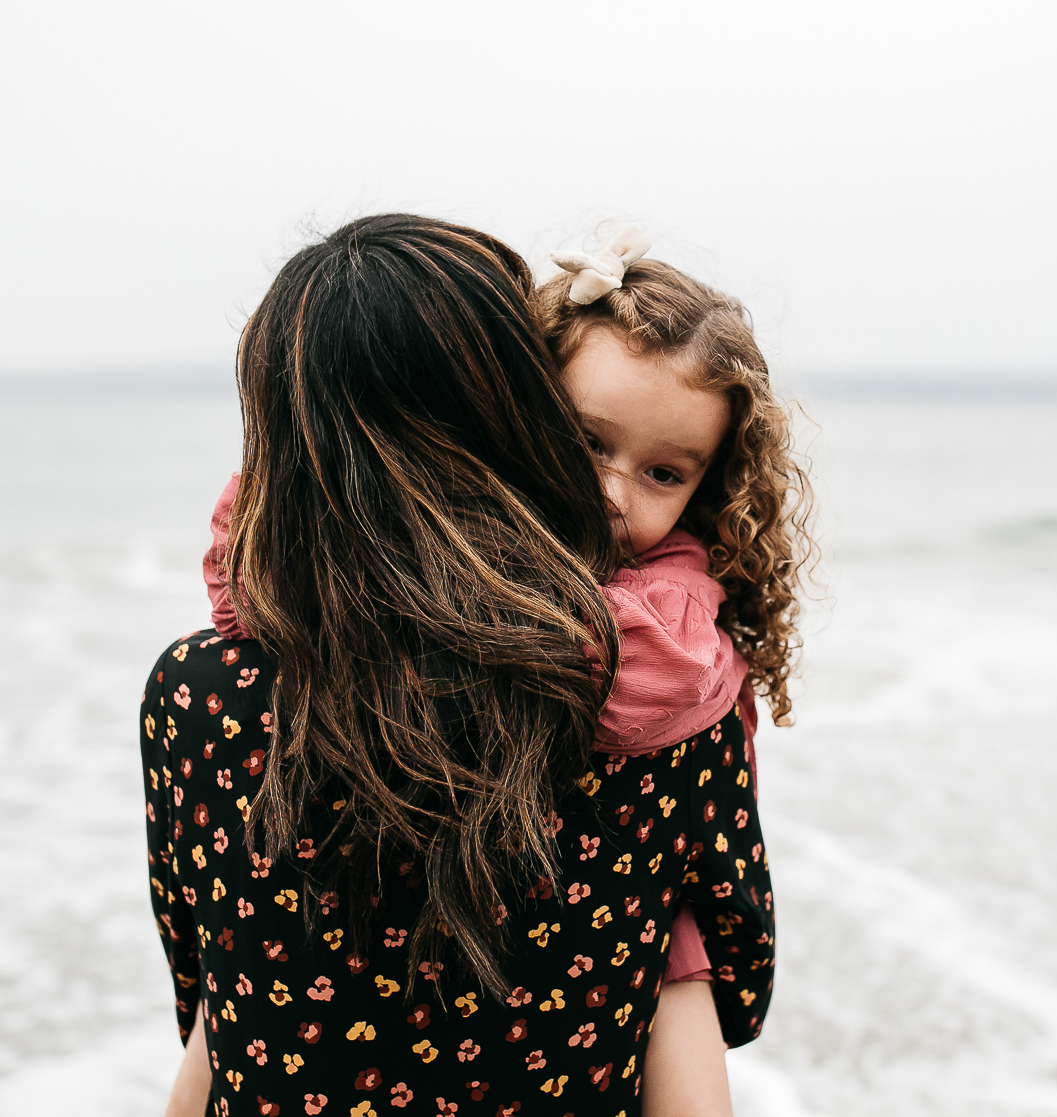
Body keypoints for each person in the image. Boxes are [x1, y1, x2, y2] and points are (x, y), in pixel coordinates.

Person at [143, 215, 777, 1117]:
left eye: (664, 473)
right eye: (582, 439)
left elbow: (210, 972)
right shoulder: (672, 709)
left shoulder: (198, 692)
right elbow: (735, 961)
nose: (610, 491)